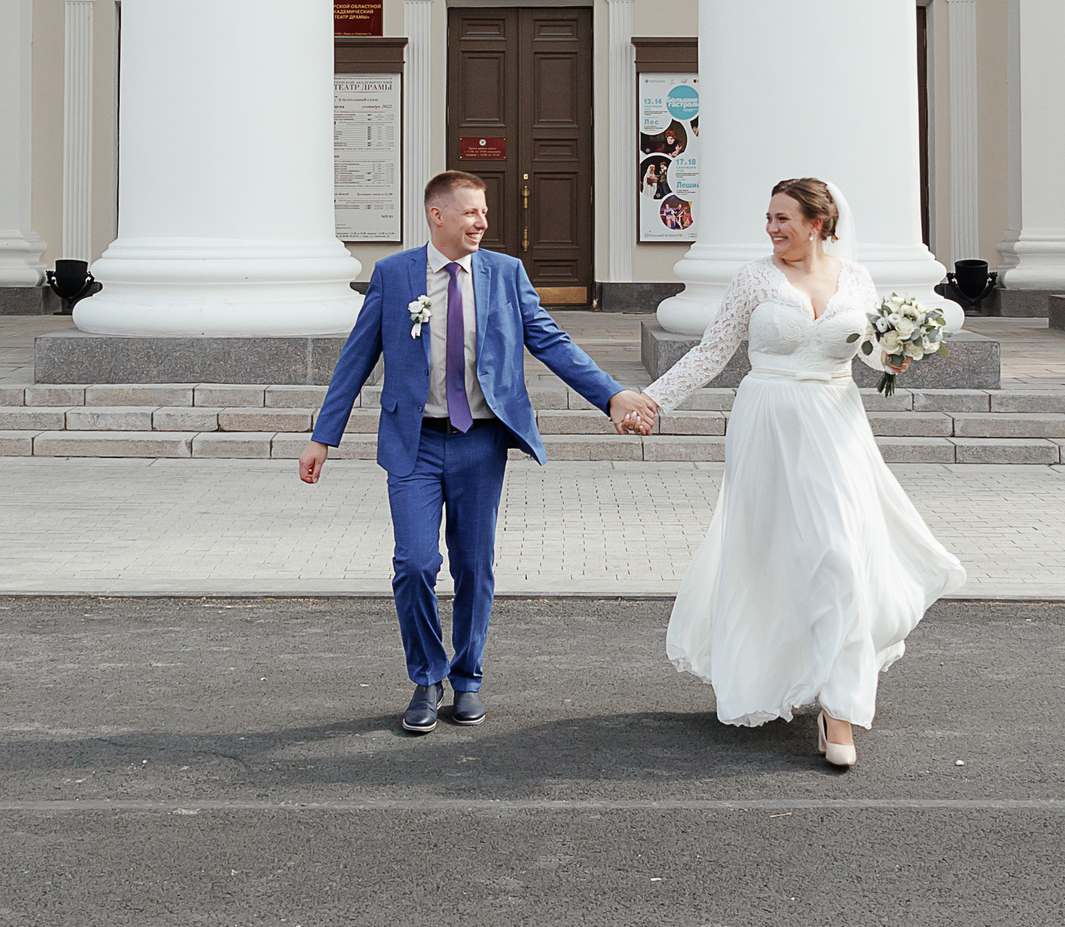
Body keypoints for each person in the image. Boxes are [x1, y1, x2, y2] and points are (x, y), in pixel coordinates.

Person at [302, 170, 661, 735]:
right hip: (414, 442)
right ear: (437, 215)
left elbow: (551, 341)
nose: (483, 222)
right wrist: (325, 434)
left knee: (474, 566)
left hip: (480, 441)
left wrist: (612, 396)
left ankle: (467, 679)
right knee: (415, 563)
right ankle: (426, 677)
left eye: (484, 213)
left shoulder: (505, 274)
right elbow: (356, 356)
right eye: (471, 212)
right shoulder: (395, 276)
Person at [628, 177, 967, 770]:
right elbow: (712, 351)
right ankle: (771, 671)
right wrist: (652, 401)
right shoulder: (753, 278)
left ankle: (840, 710)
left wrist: (896, 355)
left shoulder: (855, 280)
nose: (773, 228)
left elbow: (869, 353)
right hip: (766, 422)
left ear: (818, 223)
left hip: (835, 426)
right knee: (771, 553)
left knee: (838, 553)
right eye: (769, 218)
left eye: (784, 218)